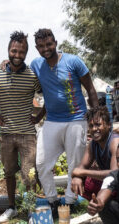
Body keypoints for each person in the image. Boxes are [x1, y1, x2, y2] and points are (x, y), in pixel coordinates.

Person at [30, 28, 99, 209]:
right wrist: (7, 62)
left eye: (49, 44)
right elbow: (24, 75)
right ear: (37, 48)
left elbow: (91, 89)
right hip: (52, 120)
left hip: (76, 119)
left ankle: (70, 201)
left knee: (74, 163)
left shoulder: (73, 61)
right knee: (42, 162)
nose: (46, 48)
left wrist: (96, 117)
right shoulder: (36, 65)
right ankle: (52, 200)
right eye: (41, 46)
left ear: (55, 43)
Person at [0, 31, 45, 223]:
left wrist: (39, 116)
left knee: (29, 175)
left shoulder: (32, 75)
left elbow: (47, 94)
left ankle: (31, 211)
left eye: (21, 52)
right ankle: (11, 207)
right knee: (9, 172)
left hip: (27, 134)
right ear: (8, 50)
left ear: (26, 53)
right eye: (14, 51)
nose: (17, 55)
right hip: (6, 133)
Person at [71, 107, 119, 200]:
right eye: (91, 126)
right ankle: (100, 203)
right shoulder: (92, 144)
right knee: (82, 183)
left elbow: (115, 174)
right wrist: (77, 178)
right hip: (111, 182)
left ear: (109, 125)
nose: (94, 129)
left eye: (98, 125)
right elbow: (81, 167)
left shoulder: (115, 142)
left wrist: (82, 172)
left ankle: (111, 204)